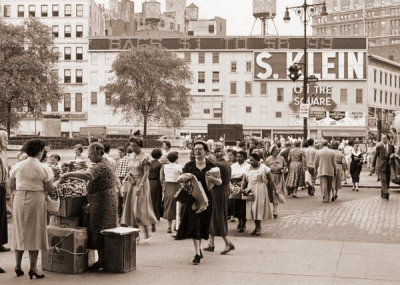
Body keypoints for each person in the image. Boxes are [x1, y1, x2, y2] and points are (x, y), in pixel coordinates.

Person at [60, 143, 117, 271]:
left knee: (100, 228)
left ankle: (102, 260)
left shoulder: (101, 165)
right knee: (103, 227)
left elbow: (88, 176)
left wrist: (69, 175)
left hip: (103, 201)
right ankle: (103, 259)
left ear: (99, 153)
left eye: (91, 154)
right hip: (105, 198)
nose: (89, 156)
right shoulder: (104, 162)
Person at [9, 139, 58, 279]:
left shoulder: (18, 165)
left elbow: (11, 184)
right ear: (40, 151)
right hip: (36, 198)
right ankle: (33, 268)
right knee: (35, 232)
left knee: (19, 231)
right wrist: (57, 182)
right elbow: (49, 188)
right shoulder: (44, 168)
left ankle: (17, 266)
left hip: (19, 198)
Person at [176, 141, 215, 265]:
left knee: (203, 224)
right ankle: (197, 253)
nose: (197, 151)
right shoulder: (188, 166)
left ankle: (199, 249)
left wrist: (213, 179)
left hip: (206, 200)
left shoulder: (211, 166)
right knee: (195, 225)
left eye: (200, 149)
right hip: (192, 199)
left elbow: (217, 183)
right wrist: (184, 179)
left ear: (205, 151)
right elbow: (182, 182)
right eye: (195, 149)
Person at [121, 137, 157, 243]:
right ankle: (136, 235)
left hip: (142, 183)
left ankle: (147, 233)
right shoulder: (130, 156)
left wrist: (140, 186)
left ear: (140, 145)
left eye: (135, 146)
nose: (133, 148)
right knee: (131, 209)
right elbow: (130, 170)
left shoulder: (145, 157)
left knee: (139, 209)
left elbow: (146, 173)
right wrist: (129, 177)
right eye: (131, 146)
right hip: (132, 183)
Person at [204, 146, 235, 255]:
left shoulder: (218, 165)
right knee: (214, 216)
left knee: (217, 217)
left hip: (217, 193)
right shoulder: (227, 164)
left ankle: (227, 242)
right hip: (224, 192)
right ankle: (211, 243)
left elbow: (218, 182)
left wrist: (210, 179)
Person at [241, 153, 273, 236]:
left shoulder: (264, 168)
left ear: (257, 160)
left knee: (258, 208)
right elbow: (244, 180)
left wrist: (271, 191)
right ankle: (256, 226)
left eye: (252, 160)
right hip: (250, 189)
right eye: (250, 160)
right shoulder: (247, 168)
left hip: (260, 189)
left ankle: (259, 227)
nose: (250, 162)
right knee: (252, 208)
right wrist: (242, 188)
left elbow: (270, 180)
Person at [160, 152, 182, 233]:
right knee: (177, 206)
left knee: (168, 205)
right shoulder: (178, 167)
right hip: (177, 186)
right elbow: (181, 176)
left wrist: (163, 186)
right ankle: (176, 225)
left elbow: (161, 178)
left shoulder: (164, 167)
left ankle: (169, 227)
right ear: (176, 159)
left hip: (168, 186)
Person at [265, 145, 287, 219]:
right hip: (270, 177)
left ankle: (275, 210)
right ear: (272, 151)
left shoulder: (281, 158)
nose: (277, 151)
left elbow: (285, 167)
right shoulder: (268, 159)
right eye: (276, 150)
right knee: (271, 193)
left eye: (278, 150)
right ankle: (270, 209)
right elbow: (265, 169)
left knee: (276, 193)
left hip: (279, 177)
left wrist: (284, 170)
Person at [231, 151, 250, 232]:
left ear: (244, 157)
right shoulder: (233, 166)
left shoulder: (248, 166)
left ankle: (243, 223)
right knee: (235, 204)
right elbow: (230, 176)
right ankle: (239, 221)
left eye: (240, 156)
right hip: (233, 186)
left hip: (243, 185)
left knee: (243, 205)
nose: (238, 158)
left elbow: (247, 177)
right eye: (237, 156)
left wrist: (241, 184)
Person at [372, 135, 395, 200]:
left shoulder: (391, 147)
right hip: (381, 166)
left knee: (387, 180)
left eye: (384, 138)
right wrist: (373, 166)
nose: (383, 139)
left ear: (388, 139)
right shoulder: (379, 147)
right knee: (383, 180)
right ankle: (386, 193)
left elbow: (394, 154)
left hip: (389, 166)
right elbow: (375, 156)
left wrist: (393, 155)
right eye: (382, 138)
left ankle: (383, 191)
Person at [0, 130, 9, 275]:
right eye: (5, 138)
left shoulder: (2, 154)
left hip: (1, 187)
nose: (7, 141)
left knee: (2, 220)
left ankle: (0, 242)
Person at [149, 148, 163, 232]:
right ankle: (155, 218)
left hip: (148, 182)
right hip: (156, 183)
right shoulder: (160, 164)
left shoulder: (149, 163)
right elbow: (161, 178)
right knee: (156, 201)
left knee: (149, 201)